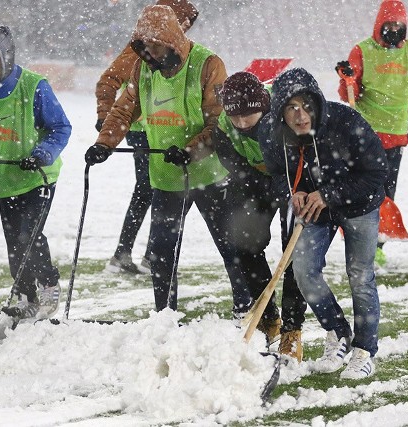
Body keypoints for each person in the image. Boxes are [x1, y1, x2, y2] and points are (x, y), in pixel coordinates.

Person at [84, 5, 242, 314]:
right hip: (167, 177)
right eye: (145, 47)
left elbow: (220, 123)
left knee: (230, 246)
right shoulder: (143, 69)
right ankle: (164, 314)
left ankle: (244, 305)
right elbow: (125, 109)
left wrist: (190, 150)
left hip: (210, 174)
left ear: (173, 38)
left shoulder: (208, 65)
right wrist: (104, 143)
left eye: (156, 45)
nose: (151, 54)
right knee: (161, 250)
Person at [258, 68, 388, 379]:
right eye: (291, 108)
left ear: (317, 104)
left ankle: (365, 350)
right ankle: (338, 331)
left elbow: (376, 173)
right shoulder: (274, 135)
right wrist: (293, 192)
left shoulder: (347, 123)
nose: (300, 115)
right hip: (317, 209)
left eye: (306, 106)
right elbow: (277, 174)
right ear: (280, 112)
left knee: (360, 276)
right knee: (303, 271)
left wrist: (329, 194)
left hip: (359, 205)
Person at [0, 24, 72, 320]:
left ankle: (48, 284)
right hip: (4, 176)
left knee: (28, 235)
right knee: (14, 241)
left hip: (38, 176)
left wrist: (42, 153)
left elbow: (61, 127)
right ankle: (24, 292)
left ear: (6, 55)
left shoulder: (34, 86)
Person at [95, 0, 199, 275]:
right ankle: (145, 254)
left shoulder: (178, 52)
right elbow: (107, 81)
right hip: (144, 130)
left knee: (153, 190)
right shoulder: (144, 50)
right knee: (156, 188)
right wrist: (105, 117)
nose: (186, 29)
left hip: (164, 129)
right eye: (184, 22)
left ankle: (136, 253)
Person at [213, 71, 307, 361]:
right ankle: (269, 319)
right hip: (255, 179)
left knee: (294, 255)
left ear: (263, 107)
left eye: (248, 116)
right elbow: (230, 161)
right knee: (244, 243)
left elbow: (303, 155)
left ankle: (292, 331)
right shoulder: (224, 124)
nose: (241, 123)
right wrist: (256, 186)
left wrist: (289, 190)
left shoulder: (284, 117)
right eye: (235, 117)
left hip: (294, 181)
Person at [336, 0, 408, 265]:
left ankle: (377, 245)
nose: (394, 29)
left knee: (386, 195)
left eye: (399, 25)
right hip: (365, 136)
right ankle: (357, 240)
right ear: (380, 24)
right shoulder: (363, 50)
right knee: (363, 191)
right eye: (389, 24)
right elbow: (348, 94)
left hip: (396, 138)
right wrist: (348, 79)